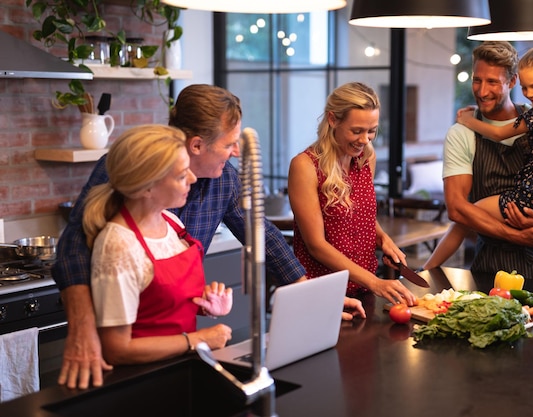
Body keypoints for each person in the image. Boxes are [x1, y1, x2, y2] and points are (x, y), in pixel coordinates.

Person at [53, 84, 365, 389]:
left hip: (173, 346)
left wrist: (312, 298)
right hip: (116, 343)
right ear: (198, 145)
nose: (237, 151)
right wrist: (83, 330)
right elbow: (72, 250)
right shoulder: (132, 169)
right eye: (230, 143)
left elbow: (262, 235)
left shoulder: (223, 178)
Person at [421, 41, 533, 283]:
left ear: (512, 82)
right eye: (477, 80)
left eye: (492, 82)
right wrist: (518, 235)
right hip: (491, 267)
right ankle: (424, 270)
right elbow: (457, 209)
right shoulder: (461, 134)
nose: (482, 92)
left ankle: (424, 269)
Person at [83, 125, 233, 364]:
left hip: (180, 365)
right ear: (148, 186)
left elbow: (162, 304)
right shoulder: (118, 245)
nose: (193, 179)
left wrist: (203, 304)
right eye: (182, 175)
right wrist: (196, 340)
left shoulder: (171, 222)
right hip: (142, 379)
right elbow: (117, 349)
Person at [288, 82, 416, 306]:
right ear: (332, 119)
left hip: (364, 287)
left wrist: (382, 238)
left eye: (372, 131)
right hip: (323, 292)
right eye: (356, 131)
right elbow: (315, 244)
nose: (365, 139)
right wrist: (376, 282)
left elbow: (360, 216)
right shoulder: (305, 166)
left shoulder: (366, 158)